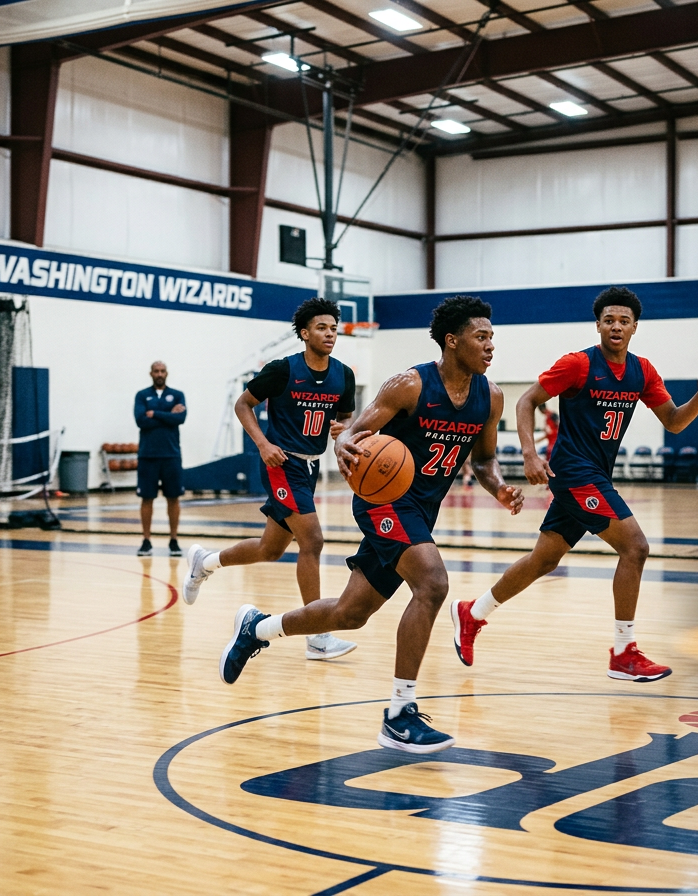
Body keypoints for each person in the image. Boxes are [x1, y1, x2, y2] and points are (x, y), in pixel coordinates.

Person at [219, 296, 523, 753]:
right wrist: (343, 445)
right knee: (433, 582)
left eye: (492, 337)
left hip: (421, 510)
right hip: (384, 500)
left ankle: (258, 628)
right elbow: (354, 431)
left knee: (350, 613)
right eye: (482, 337)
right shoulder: (410, 385)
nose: (490, 345)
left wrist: (498, 487)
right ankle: (400, 715)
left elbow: (483, 461)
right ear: (452, 341)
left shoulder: (491, 396)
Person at [451, 286, 698, 681]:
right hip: (575, 473)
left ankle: (472, 612)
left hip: (595, 474)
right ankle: (623, 652)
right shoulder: (578, 364)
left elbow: (674, 421)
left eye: (624, 321)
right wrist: (530, 453)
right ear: (598, 325)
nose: (616, 326)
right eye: (609, 320)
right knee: (636, 547)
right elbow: (526, 400)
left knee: (543, 560)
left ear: (635, 328)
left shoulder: (642, 371)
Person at [182, 298, 359, 661]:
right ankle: (317, 635)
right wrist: (263, 444)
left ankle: (206, 562)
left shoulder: (344, 374)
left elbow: (347, 417)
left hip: (309, 468)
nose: (330, 334)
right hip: (281, 464)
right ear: (305, 333)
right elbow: (242, 404)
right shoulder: (282, 370)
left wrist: (344, 429)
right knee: (312, 541)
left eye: (333, 328)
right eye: (322, 328)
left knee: (271, 549)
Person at [134, 360, 186, 557]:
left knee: (173, 498)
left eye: (162, 371)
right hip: (148, 455)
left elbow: (180, 419)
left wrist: (154, 413)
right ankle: (146, 541)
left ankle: (173, 540)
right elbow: (141, 421)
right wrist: (167, 414)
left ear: (167, 373)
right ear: (150, 373)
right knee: (147, 498)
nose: (159, 374)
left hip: (171, 455)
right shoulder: (141, 395)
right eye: (156, 371)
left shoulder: (178, 394)